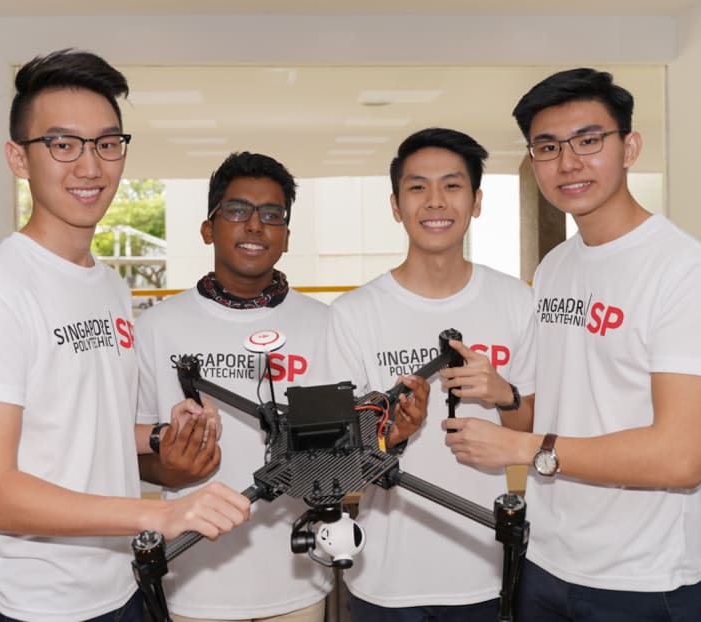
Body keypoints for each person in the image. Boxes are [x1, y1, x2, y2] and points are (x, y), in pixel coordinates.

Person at [0, 49, 250, 622]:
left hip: (115, 584)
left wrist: (159, 433)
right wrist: (158, 515)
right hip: (29, 604)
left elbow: (80, 424)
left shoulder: (107, 285)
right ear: (18, 158)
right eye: (63, 144)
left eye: (107, 143)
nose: (90, 166)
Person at [443, 68, 701, 621]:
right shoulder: (557, 266)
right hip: (548, 560)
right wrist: (504, 397)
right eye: (548, 147)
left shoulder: (681, 270)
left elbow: (682, 457)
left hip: (642, 577)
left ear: (629, 147)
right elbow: (546, 414)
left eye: (588, 141)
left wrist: (522, 448)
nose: (568, 163)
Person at [134, 151, 431, 622]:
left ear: (286, 237)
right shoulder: (157, 327)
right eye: (237, 211)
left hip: (296, 581)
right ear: (208, 228)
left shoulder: (326, 322)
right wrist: (173, 470)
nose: (255, 226)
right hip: (194, 581)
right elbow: (139, 455)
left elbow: (355, 439)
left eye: (272, 215)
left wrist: (391, 436)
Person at [318, 127, 536, 621]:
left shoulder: (516, 301)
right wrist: (391, 436)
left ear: (476, 200)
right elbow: (334, 460)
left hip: (487, 569)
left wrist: (504, 394)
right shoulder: (354, 313)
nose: (435, 201)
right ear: (396, 205)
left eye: (452, 185)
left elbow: (534, 431)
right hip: (387, 579)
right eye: (417, 187)